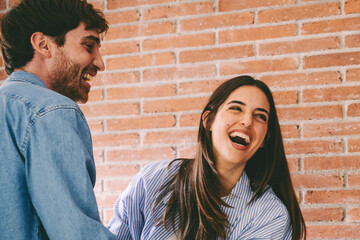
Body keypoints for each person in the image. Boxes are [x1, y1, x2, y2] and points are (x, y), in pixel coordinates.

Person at [108, 75, 307, 240]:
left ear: (265, 139)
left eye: (260, 116)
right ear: (208, 120)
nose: (247, 121)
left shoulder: (270, 215)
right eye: (236, 108)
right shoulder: (152, 179)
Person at [0, 0, 117, 239]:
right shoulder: (51, 111)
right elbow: (76, 234)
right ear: (43, 45)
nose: (100, 63)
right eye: (88, 46)